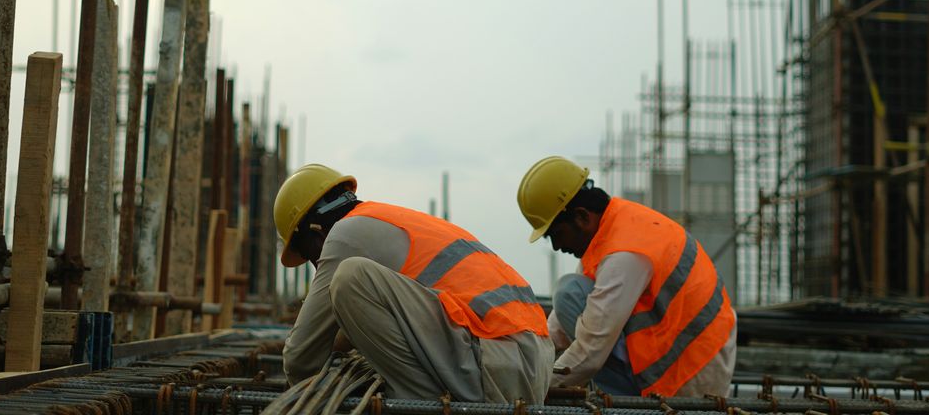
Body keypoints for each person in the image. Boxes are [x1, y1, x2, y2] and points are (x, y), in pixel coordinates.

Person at [275, 163, 555, 403]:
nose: (318, 267)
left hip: (499, 365)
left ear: (314, 233)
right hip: (531, 362)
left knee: (350, 278)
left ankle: (418, 404)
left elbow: (300, 359)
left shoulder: (345, 235)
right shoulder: (389, 221)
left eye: (312, 258)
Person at [516, 155, 736, 397]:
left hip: (684, 379)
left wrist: (535, 390)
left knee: (569, 292)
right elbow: (558, 327)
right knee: (573, 293)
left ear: (582, 217)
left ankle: (624, 401)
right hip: (679, 365)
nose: (557, 246)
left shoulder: (625, 253)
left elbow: (590, 354)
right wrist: (530, 361)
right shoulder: (613, 231)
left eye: (557, 234)